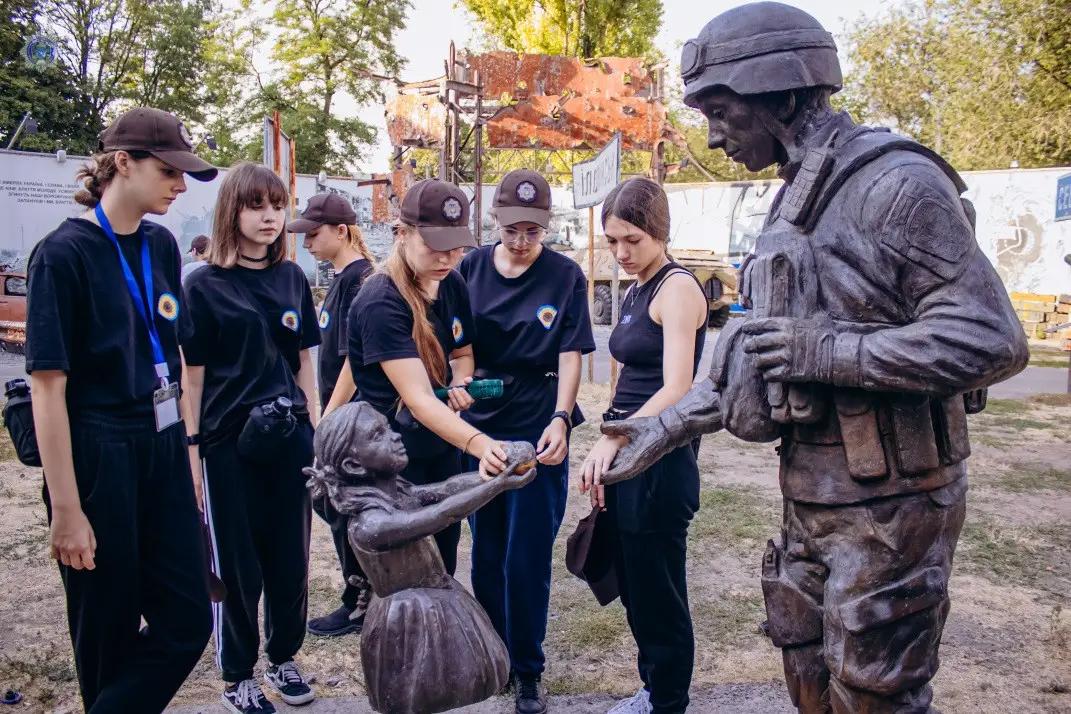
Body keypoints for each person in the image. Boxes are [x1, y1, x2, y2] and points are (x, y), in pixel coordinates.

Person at [597, 4, 1030, 713]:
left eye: (721, 109)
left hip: (893, 508)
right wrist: (664, 428)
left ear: (783, 92)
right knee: (804, 665)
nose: (712, 133)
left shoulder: (894, 185)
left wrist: (827, 350)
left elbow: (991, 337)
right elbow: (767, 359)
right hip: (810, 500)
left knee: (873, 693)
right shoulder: (792, 202)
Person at [25, 106, 216, 712]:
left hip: (160, 439)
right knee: (105, 630)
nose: (180, 184)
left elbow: (176, 355)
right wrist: (67, 509)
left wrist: (185, 453)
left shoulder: (161, 246)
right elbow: (48, 389)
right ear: (122, 163)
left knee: (189, 619)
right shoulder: (63, 254)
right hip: (98, 447)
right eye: (169, 170)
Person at [182, 162, 320, 714]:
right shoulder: (203, 287)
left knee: (292, 557)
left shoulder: (292, 279)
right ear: (231, 211)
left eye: (277, 206)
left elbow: (304, 357)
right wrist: (190, 450)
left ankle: (283, 656)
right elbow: (191, 377)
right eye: (256, 206)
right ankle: (238, 673)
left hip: (289, 439)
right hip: (226, 444)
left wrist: (312, 423)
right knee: (239, 565)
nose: (269, 218)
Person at [456, 169, 595, 713]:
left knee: (528, 555)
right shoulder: (468, 268)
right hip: (482, 427)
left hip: (538, 427)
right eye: (512, 228)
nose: (521, 241)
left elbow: (569, 353)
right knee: (486, 547)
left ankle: (528, 668)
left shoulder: (565, 275)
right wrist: (462, 389)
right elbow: (455, 342)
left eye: (532, 231)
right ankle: (495, 656)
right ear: (494, 220)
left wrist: (561, 417)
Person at [304, 402, 538, 713]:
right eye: (378, 435)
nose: (395, 436)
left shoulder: (399, 495)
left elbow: (446, 489)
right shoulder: (369, 524)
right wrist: (498, 485)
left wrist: (492, 474)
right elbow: (442, 513)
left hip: (436, 601)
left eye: (387, 427)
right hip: (406, 620)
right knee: (412, 694)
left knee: (439, 691)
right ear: (353, 466)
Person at [579, 177, 708, 714]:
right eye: (612, 241)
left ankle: (668, 702)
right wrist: (610, 445)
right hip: (629, 455)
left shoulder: (677, 288)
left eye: (632, 239)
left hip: (659, 458)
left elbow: (677, 386)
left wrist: (614, 438)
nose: (621, 252)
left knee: (658, 589)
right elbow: (629, 375)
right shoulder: (636, 289)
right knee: (633, 581)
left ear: (659, 231)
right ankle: (654, 689)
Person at [347, 178, 509, 576]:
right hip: (392, 457)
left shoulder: (450, 282)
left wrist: (459, 382)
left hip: (439, 445)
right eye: (435, 246)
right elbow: (417, 399)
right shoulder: (380, 301)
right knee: (405, 572)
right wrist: (480, 443)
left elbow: (464, 352)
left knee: (444, 561)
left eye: (455, 247)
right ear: (402, 234)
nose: (447, 257)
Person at [290, 192, 375, 637]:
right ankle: (359, 591)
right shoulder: (341, 279)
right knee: (331, 502)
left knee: (343, 506)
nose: (306, 241)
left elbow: (352, 361)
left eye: (314, 232)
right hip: (339, 415)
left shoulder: (360, 280)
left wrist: (330, 416)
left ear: (341, 231)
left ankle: (360, 599)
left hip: (350, 420)